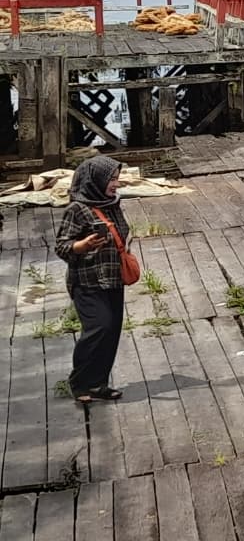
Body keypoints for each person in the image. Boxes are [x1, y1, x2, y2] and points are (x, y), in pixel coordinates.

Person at [54, 156, 130, 404]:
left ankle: (98, 383)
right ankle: (79, 382)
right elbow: (61, 246)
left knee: (112, 331)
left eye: (116, 179)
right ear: (95, 180)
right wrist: (82, 245)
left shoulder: (111, 204)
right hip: (87, 281)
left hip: (113, 278)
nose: (116, 184)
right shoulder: (76, 209)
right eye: (111, 179)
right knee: (99, 327)